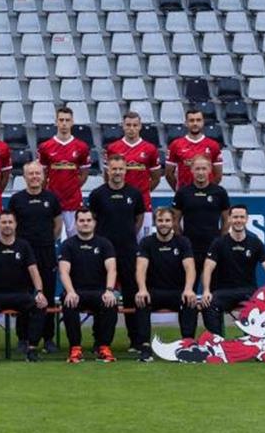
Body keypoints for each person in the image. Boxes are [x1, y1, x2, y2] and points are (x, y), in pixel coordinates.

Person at [87, 155, 146, 352]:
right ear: (108, 170)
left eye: (121, 169)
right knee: (102, 297)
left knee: (131, 296)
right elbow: (92, 220)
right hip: (103, 254)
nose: (117, 172)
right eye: (114, 169)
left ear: (125, 170)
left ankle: (136, 341)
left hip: (128, 251)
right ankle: (101, 341)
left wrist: (127, 237)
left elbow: (138, 219)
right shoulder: (97, 194)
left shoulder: (135, 194)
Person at [6, 162, 64, 352]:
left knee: (45, 296)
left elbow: (57, 225)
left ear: (43, 175)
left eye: (37, 173)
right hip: (22, 256)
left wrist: (47, 241)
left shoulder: (52, 198)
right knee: (24, 297)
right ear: (24, 177)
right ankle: (23, 338)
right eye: (30, 174)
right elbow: (11, 226)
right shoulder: (16, 199)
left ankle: (48, 338)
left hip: (45, 253)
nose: (34, 177)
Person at [0, 212, 48, 362]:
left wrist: (40, 292)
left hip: (21, 295)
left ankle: (32, 349)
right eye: (3, 222)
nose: (7, 225)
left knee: (40, 306)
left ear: (15, 225)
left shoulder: (24, 246)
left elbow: (34, 271)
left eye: (10, 222)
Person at [200, 204, 265, 336]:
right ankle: (216, 344)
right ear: (229, 219)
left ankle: (253, 345)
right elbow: (208, 267)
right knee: (209, 304)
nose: (238, 220)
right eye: (235, 217)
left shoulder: (255, 242)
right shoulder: (219, 243)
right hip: (223, 291)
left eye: (242, 217)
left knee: (260, 308)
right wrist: (206, 290)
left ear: (247, 219)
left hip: (248, 291)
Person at [133, 207, 199, 362]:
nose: (164, 224)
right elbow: (140, 268)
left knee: (190, 302)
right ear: (155, 222)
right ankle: (145, 348)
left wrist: (188, 289)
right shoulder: (147, 242)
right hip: (153, 292)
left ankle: (188, 345)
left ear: (173, 222)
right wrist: (142, 289)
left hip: (177, 292)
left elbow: (190, 267)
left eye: (167, 220)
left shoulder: (182, 242)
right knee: (141, 301)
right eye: (160, 220)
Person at [57, 209, 119, 364]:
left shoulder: (104, 244)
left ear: (94, 223)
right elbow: (64, 271)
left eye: (88, 220)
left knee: (111, 302)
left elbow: (112, 268)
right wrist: (70, 292)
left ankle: (104, 347)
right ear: (76, 223)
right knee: (68, 301)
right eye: (81, 220)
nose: (85, 223)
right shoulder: (68, 245)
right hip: (76, 292)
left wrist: (109, 290)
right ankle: (75, 348)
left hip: (99, 292)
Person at [171, 156, 230, 280]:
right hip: (190, 248)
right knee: (188, 286)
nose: (201, 172)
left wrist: (220, 240)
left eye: (204, 168)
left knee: (213, 287)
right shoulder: (183, 192)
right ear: (191, 170)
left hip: (213, 246)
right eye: (197, 169)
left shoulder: (220, 192)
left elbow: (227, 220)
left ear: (210, 170)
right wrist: (182, 240)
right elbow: (175, 221)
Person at [105, 111, 162, 238]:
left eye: (135, 125)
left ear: (140, 126)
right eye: (128, 125)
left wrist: (141, 193)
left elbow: (156, 178)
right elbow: (107, 176)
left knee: (143, 243)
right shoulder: (113, 148)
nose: (131, 129)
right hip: (118, 202)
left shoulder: (150, 149)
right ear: (123, 126)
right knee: (120, 240)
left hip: (143, 203)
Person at [37, 106, 91, 238]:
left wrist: (72, 187)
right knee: (52, 236)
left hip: (73, 200)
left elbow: (84, 174)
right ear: (56, 122)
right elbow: (42, 174)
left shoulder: (82, 147)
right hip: (52, 199)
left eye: (67, 120)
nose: (64, 124)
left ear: (72, 122)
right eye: (61, 120)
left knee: (75, 237)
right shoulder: (45, 147)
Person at [166, 107, 223, 190]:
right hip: (185, 195)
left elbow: (218, 175)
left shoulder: (213, 145)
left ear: (203, 122)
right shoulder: (176, 145)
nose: (195, 123)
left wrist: (208, 190)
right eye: (191, 120)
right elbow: (169, 174)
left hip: (206, 195)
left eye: (198, 120)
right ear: (186, 123)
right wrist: (179, 191)